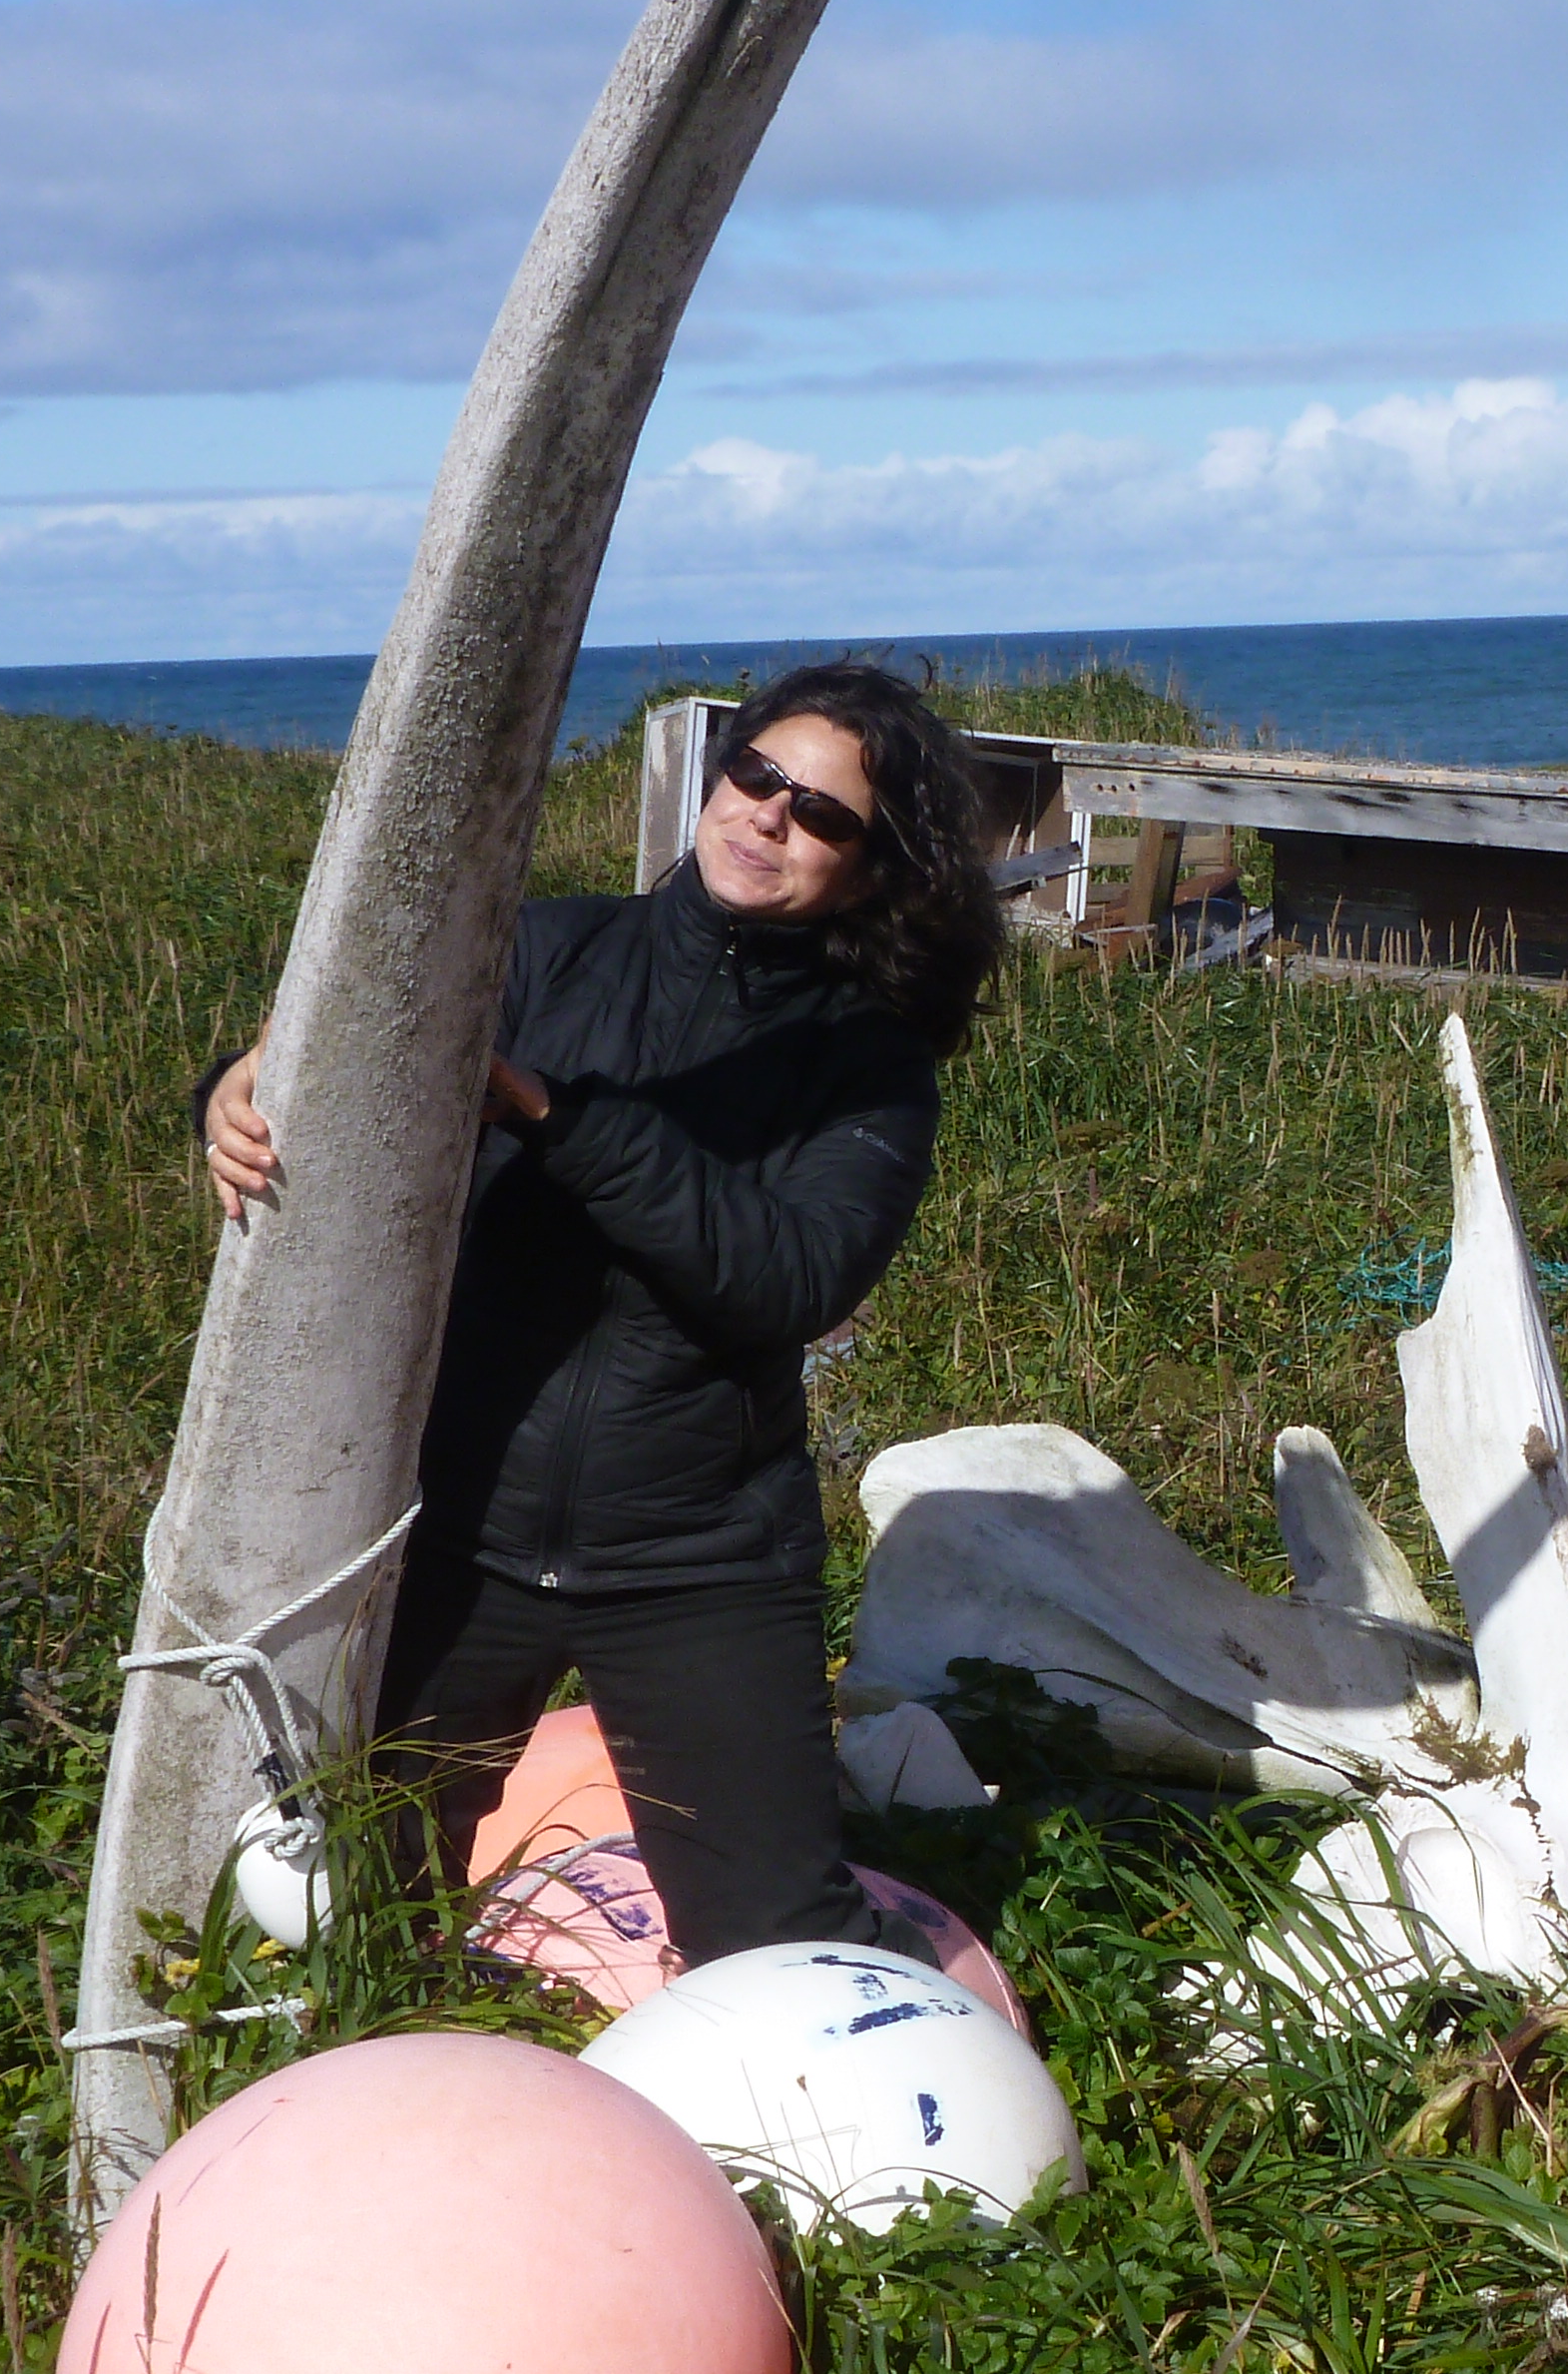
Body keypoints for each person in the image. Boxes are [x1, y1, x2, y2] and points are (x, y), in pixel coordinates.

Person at [197, 662, 1005, 1963]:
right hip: (457, 1528)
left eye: (822, 814)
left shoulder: (869, 1065)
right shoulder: (538, 954)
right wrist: (240, 1088)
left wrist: (556, 1119)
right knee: (357, 1910)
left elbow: (790, 1280)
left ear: (870, 870)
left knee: (773, 1939)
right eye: (757, 773)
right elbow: (345, 1077)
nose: (768, 814)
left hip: (698, 1560)